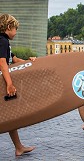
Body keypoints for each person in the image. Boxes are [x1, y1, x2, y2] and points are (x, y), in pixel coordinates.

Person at [0, 14, 36, 156]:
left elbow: (13, 59)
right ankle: (19, 147)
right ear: (9, 27)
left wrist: (29, 61)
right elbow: (2, 63)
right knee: (8, 115)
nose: (16, 32)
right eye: (15, 29)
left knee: (10, 115)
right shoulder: (2, 41)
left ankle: (19, 147)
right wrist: (9, 84)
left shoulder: (4, 42)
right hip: (2, 83)